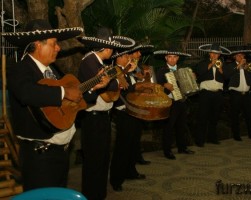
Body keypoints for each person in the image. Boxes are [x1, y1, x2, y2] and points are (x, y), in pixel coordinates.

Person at [3, 19, 88, 191]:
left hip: (59, 153)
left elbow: (67, 102)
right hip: (40, 158)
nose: (58, 48)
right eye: (54, 43)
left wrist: (95, 87)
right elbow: (27, 93)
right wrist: (63, 92)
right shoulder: (19, 69)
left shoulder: (52, 70)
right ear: (37, 45)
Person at [77, 27, 135, 200]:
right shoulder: (89, 62)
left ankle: (99, 194)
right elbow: (107, 86)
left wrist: (120, 76)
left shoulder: (98, 63)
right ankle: (91, 195)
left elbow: (110, 84)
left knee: (102, 160)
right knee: (94, 162)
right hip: (93, 119)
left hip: (101, 118)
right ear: (106, 48)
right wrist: (117, 80)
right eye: (113, 49)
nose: (114, 52)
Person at [109, 48, 146, 192]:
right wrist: (135, 86)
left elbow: (136, 83)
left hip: (134, 112)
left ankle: (131, 172)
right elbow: (122, 90)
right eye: (126, 56)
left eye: (128, 56)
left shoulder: (127, 70)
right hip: (123, 113)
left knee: (133, 144)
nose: (128, 58)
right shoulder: (115, 71)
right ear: (118, 58)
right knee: (122, 148)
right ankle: (116, 179)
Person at [154, 48, 195, 160]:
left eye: (174, 57)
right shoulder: (161, 71)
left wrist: (192, 78)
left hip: (182, 100)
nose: (172, 59)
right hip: (169, 101)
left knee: (182, 126)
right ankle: (167, 151)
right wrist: (164, 86)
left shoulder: (183, 70)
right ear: (166, 58)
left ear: (177, 58)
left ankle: (182, 147)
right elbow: (156, 87)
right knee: (168, 127)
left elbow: (189, 84)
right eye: (170, 57)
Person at [194, 43, 231, 147]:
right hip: (205, 93)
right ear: (209, 54)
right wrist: (211, 64)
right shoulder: (203, 63)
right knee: (202, 117)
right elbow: (199, 71)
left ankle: (212, 138)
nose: (214, 55)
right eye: (213, 53)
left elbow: (227, 76)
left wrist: (220, 69)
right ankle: (199, 140)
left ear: (219, 55)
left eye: (217, 54)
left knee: (214, 117)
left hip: (218, 94)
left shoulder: (222, 64)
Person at [223, 47, 251, 141]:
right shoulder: (230, 65)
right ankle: (236, 135)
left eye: (242, 55)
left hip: (247, 94)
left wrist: (246, 67)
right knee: (235, 115)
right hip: (235, 94)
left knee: (249, 115)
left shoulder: (247, 65)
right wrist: (238, 66)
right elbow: (226, 76)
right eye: (238, 55)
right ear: (234, 57)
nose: (240, 57)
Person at [127, 43, 154, 165]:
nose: (140, 54)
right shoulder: (126, 66)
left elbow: (142, 79)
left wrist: (147, 76)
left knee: (137, 134)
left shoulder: (138, 66)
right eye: (137, 52)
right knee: (131, 137)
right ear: (130, 53)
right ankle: (132, 160)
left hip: (137, 104)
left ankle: (137, 157)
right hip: (128, 106)